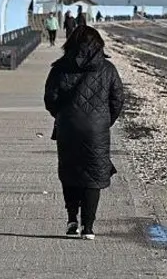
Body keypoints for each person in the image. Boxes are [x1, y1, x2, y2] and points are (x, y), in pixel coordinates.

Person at [43, 25, 125, 240]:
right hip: (96, 130)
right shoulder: (108, 69)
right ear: (99, 45)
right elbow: (117, 99)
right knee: (93, 175)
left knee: (70, 172)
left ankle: (72, 220)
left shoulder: (60, 68)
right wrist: (105, 121)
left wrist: (62, 116)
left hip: (68, 127)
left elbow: (50, 98)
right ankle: (88, 227)